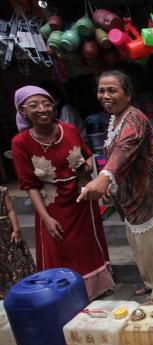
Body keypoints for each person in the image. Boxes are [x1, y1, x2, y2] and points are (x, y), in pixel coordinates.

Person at [78, 70, 153, 302]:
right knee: (138, 245)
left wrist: (103, 178)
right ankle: (150, 284)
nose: (105, 95)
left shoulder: (134, 119)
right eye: (101, 90)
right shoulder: (115, 119)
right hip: (128, 194)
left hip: (146, 194)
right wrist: (111, 185)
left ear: (128, 94)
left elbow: (124, 149)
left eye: (112, 90)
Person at [11, 86, 113, 300]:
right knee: (60, 248)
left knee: (87, 245)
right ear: (22, 111)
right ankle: (67, 295)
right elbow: (29, 184)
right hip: (52, 204)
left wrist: (85, 170)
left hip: (81, 199)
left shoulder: (69, 130)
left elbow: (88, 156)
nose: (42, 109)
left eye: (47, 103)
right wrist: (46, 218)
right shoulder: (20, 143)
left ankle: (96, 290)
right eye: (34, 105)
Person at [0, 186, 35, 298]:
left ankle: (22, 287)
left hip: (5, 232)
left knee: (14, 259)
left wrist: (16, 229)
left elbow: (10, 211)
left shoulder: (2, 191)